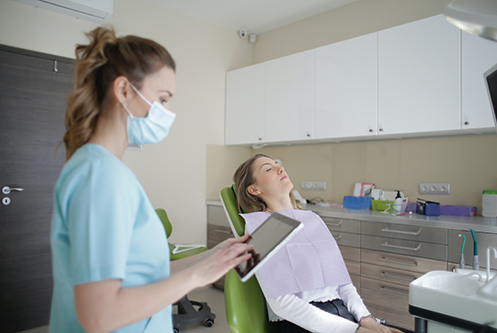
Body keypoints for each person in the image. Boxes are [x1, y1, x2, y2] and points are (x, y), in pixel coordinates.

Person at [49, 27, 253, 333]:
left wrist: (213, 258)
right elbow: (99, 315)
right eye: (162, 99)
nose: (169, 113)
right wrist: (197, 277)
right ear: (124, 91)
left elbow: (144, 274)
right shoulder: (99, 176)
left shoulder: (109, 170)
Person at [233, 154, 403, 333]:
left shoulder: (312, 219)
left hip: (342, 316)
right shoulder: (259, 228)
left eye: (278, 165)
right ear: (254, 190)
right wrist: (354, 330)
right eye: (269, 169)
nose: (280, 169)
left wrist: (365, 319)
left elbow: (342, 283)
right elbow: (282, 304)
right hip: (301, 323)